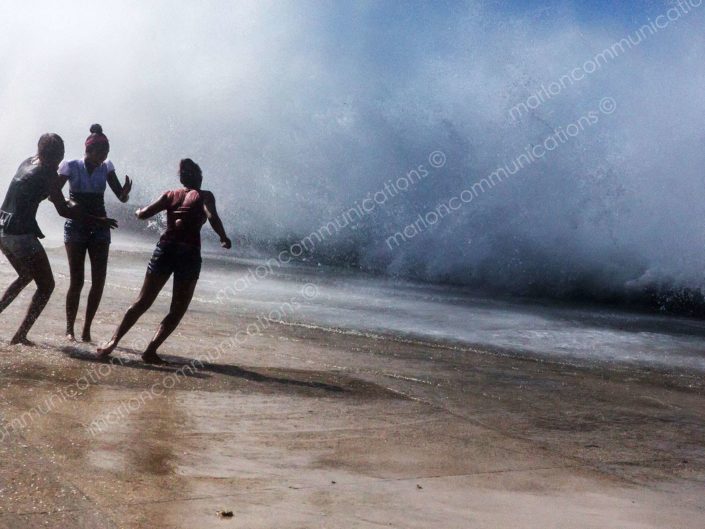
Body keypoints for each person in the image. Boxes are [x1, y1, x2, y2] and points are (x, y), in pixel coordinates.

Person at [98, 159, 231, 364]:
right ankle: (150, 351)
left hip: (165, 249)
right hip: (188, 254)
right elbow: (211, 216)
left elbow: (143, 214)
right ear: (199, 178)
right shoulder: (205, 195)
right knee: (177, 310)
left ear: (182, 179)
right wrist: (223, 236)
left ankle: (113, 341)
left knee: (142, 301)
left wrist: (136, 211)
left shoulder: (170, 195)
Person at [0, 134, 117, 345]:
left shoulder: (28, 161)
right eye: (57, 158)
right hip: (20, 234)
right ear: (58, 155)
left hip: (2, 229)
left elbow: (47, 195)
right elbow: (62, 209)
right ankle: (20, 336)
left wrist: (66, 201)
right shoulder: (48, 174)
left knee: (26, 275)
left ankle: (18, 333)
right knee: (46, 286)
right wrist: (97, 220)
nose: (57, 164)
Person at [59, 124, 132, 342]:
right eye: (101, 153)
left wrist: (126, 194)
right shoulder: (70, 165)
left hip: (101, 226)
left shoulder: (106, 166)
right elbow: (55, 193)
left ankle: (87, 329)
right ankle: (70, 328)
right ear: (89, 151)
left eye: (106, 153)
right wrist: (71, 202)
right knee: (77, 280)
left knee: (99, 281)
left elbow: (121, 196)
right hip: (76, 225)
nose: (104, 157)